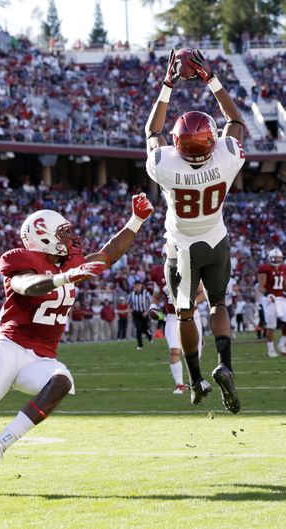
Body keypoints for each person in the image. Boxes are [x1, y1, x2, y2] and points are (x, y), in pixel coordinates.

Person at [0, 194, 153, 497]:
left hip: (41, 357)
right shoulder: (19, 260)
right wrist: (64, 277)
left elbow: (108, 254)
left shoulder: (70, 261)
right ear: (43, 238)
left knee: (62, 380)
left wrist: (136, 221)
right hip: (10, 347)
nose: (70, 238)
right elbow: (26, 285)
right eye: (62, 234)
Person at [145, 48, 246, 413]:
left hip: (181, 247)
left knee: (185, 313)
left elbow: (152, 130)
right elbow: (235, 121)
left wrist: (168, 81)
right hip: (216, 240)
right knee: (218, 303)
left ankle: (197, 379)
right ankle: (225, 364)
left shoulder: (166, 165)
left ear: (179, 143)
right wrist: (211, 79)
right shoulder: (226, 157)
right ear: (211, 140)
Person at [149, 263, 204, 394]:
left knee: (195, 354)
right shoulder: (158, 273)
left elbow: (202, 293)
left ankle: (194, 381)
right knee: (174, 350)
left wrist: (193, 303)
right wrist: (152, 307)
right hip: (172, 317)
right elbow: (156, 296)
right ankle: (179, 385)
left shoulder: (189, 269)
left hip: (191, 314)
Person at [258, 248, 286, 357]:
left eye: (278, 258)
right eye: (274, 257)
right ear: (270, 258)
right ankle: (270, 349)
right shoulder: (265, 268)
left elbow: (284, 285)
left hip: (281, 298)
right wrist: (267, 294)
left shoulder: (284, 268)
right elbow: (261, 286)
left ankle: (281, 344)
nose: (276, 259)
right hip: (269, 298)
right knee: (272, 325)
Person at [128, 281, 152, 350]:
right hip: (136, 313)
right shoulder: (131, 294)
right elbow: (129, 304)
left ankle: (149, 334)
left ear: (141, 285)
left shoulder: (146, 293)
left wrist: (147, 311)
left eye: (138, 285)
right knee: (138, 328)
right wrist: (129, 312)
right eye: (135, 286)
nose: (137, 287)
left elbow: (151, 302)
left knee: (145, 327)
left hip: (144, 312)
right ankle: (140, 345)